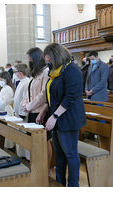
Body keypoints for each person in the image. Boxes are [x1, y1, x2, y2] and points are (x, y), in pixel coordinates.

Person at [36, 43, 86, 187]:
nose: (48, 62)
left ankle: (73, 186)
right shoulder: (56, 70)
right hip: (57, 117)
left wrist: (55, 116)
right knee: (59, 154)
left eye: (49, 59)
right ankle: (59, 184)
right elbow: (52, 96)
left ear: (56, 56)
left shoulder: (72, 70)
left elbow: (71, 97)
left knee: (70, 154)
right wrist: (44, 111)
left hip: (69, 119)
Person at [22, 47, 51, 162]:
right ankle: (37, 166)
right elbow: (29, 91)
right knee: (35, 141)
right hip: (32, 111)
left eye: (30, 60)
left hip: (41, 112)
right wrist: (26, 104)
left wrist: (29, 106)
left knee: (45, 141)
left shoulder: (46, 72)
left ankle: (46, 169)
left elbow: (44, 94)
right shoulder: (36, 73)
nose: (29, 62)